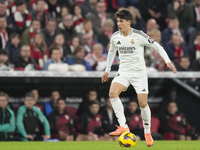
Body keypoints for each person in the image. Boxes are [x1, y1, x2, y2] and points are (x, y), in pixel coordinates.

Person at [101, 9, 177, 147]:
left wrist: (168, 61)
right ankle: (123, 126)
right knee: (112, 93)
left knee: (142, 104)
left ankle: (147, 133)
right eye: (118, 21)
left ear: (129, 22)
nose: (119, 24)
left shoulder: (139, 35)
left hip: (139, 74)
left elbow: (157, 46)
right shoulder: (115, 37)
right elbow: (111, 52)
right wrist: (107, 70)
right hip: (123, 72)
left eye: (121, 21)